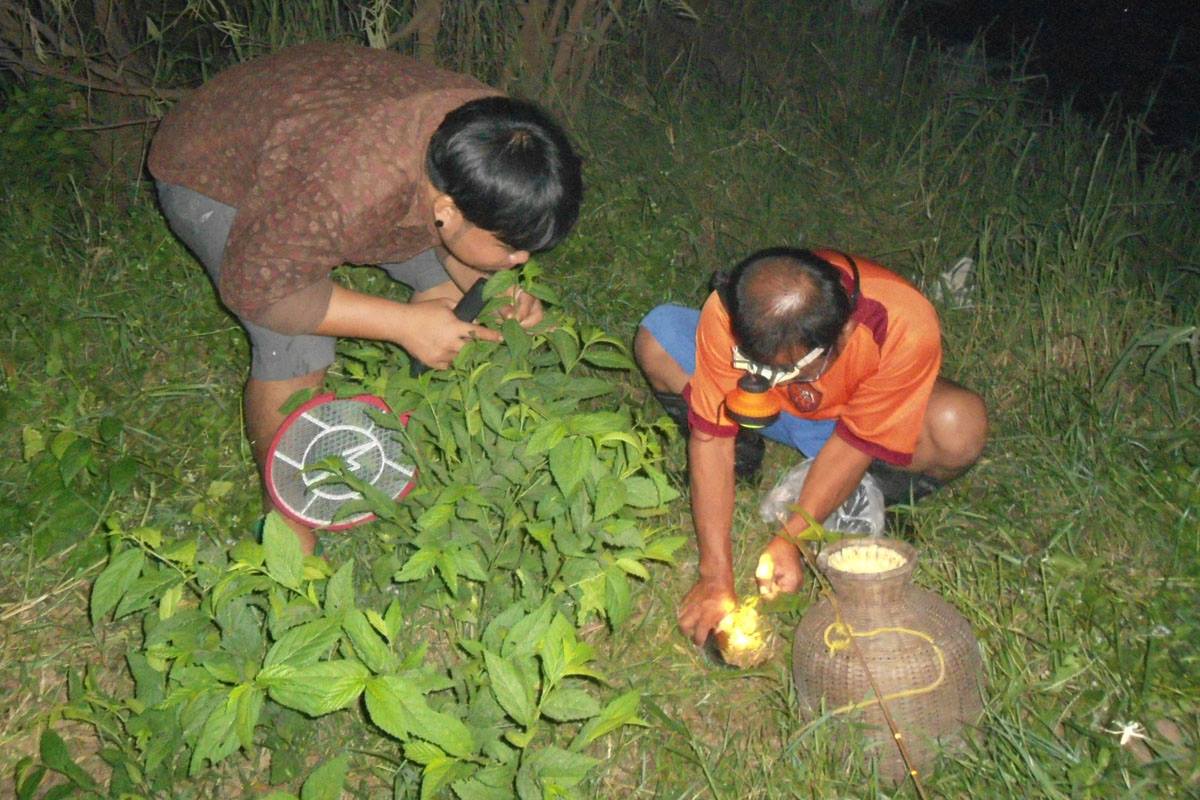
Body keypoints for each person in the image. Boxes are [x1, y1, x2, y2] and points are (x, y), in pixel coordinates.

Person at [148, 42, 582, 555]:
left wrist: (494, 293)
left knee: (453, 302)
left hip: (322, 131)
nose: (521, 262)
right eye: (512, 248)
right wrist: (403, 324)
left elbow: (461, 240)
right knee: (296, 342)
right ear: (444, 209)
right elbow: (260, 288)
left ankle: (426, 442)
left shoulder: (496, 139)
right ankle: (288, 535)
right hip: (215, 168)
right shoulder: (350, 181)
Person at [633, 247, 987, 646]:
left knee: (959, 426)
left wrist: (793, 536)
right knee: (658, 335)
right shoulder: (738, 304)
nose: (769, 380)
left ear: (844, 334)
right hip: (768, 413)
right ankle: (746, 445)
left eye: (787, 369)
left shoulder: (901, 321)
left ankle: (870, 490)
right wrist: (714, 576)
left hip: (850, 422)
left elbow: (854, 445)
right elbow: (710, 439)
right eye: (754, 366)